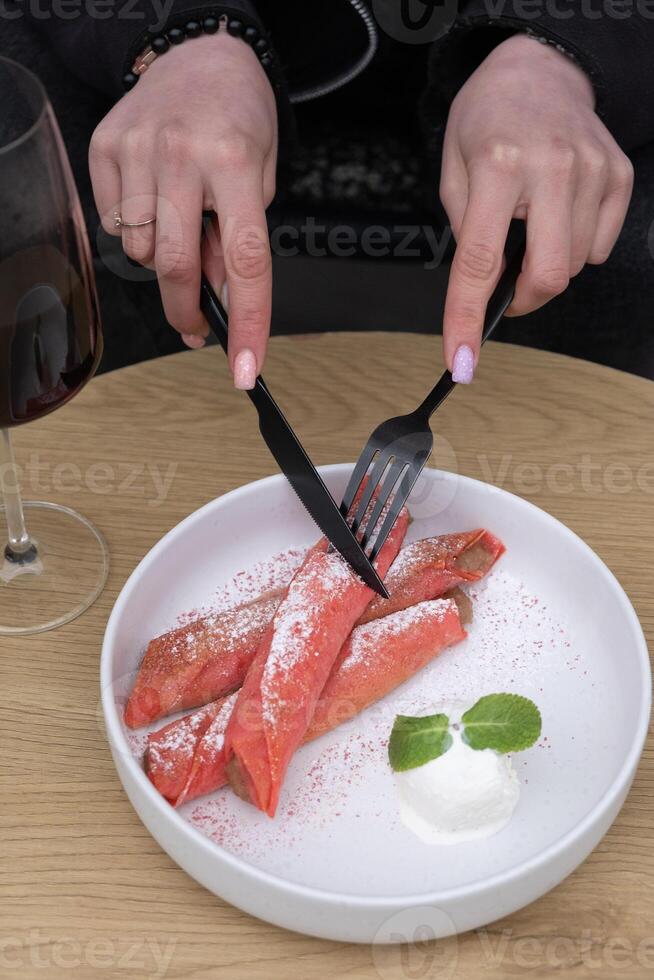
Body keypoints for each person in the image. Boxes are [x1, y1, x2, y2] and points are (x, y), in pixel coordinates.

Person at [9, 2, 651, 385]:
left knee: (605, 202)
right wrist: (180, 32)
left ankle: (583, 466)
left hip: (520, 53)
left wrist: (561, 47)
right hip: (214, 50)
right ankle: (123, 449)